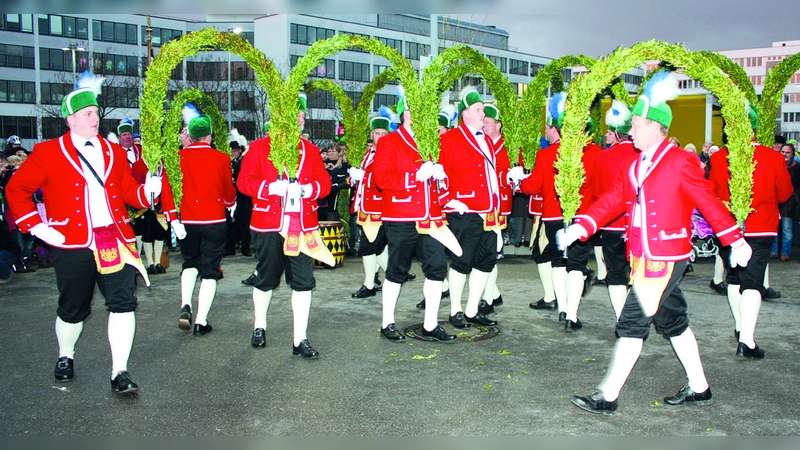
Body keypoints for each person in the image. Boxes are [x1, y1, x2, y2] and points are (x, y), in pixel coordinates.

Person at [560, 71, 752, 414]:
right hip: (643, 255)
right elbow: (612, 200)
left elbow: (708, 201)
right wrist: (582, 226)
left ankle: (607, 395)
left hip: (666, 254)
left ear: (653, 126)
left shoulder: (681, 161)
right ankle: (699, 387)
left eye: (636, 123)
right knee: (672, 321)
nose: (630, 129)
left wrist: (735, 239)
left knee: (632, 322)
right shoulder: (633, 165)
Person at [5, 71, 162, 394]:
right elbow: (17, 190)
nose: (95, 118)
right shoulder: (48, 152)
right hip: (71, 241)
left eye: (96, 113)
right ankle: (66, 354)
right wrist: (37, 227)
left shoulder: (113, 151)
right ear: (70, 119)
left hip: (114, 239)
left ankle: (120, 371)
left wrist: (147, 192)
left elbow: (126, 191)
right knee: (73, 308)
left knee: (123, 302)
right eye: (87, 114)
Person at [237, 92, 332, 358]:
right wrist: (270, 187)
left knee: (303, 282)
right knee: (266, 279)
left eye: (302, 115)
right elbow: (244, 182)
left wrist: (307, 189)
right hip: (268, 224)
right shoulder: (259, 147)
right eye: (296, 114)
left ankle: (299, 338)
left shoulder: (310, 150)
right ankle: (259, 326)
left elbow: (324, 184)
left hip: (302, 226)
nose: (301, 119)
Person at [371, 88, 457, 342]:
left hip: (430, 217)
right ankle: (387, 322)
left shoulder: (431, 142)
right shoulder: (389, 142)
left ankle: (430, 324)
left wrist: (442, 178)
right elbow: (381, 179)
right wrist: (413, 177)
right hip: (401, 216)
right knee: (396, 270)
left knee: (437, 268)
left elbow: (438, 183)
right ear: (405, 114)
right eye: (414, 111)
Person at [708, 104, 792, 359]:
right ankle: (747, 341)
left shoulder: (718, 157)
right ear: (754, 128)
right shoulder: (773, 157)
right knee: (753, 282)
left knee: (734, 278)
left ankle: (739, 327)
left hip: (728, 227)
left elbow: (710, 193)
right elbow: (785, 193)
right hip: (762, 227)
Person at [513, 91, 601, 331]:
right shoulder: (595, 153)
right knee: (576, 265)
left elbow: (534, 186)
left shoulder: (546, 153)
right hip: (583, 217)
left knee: (558, 263)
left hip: (552, 216)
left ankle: (562, 308)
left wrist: (518, 181)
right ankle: (572, 316)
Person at [161, 104, 237, 337]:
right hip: (214, 221)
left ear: (190, 136)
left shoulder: (176, 159)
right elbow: (228, 191)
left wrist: (173, 219)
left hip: (187, 222)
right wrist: (229, 203)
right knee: (210, 271)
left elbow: (167, 191)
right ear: (210, 135)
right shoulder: (221, 158)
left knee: (190, 263)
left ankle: (186, 304)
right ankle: (201, 321)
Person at [439, 89, 511, 328]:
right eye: (479, 110)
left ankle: (472, 310)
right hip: (465, 209)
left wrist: (507, 182)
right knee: (462, 260)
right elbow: (440, 174)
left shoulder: (487, 140)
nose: (483, 114)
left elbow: (490, 176)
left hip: (489, 211)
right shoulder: (450, 139)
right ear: (465, 113)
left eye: (483, 110)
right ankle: (455, 310)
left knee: (485, 261)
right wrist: (449, 200)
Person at [587, 100, 638, 319]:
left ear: (617, 133)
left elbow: (598, 192)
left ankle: (622, 317)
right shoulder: (643, 156)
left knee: (615, 273)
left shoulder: (603, 156)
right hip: (638, 225)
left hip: (612, 225)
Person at [349, 107, 392, 299]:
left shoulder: (389, 153)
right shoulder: (369, 153)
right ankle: (393, 273)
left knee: (368, 247)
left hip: (379, 206)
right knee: (376, 247)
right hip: (365, 206)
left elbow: (384, 179)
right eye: (377, 133)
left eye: (384, 133)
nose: (381, 136)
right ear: (371, 134)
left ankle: (370, 284)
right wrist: (354, 179)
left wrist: (363, 177)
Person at [479, 103, 510, 313]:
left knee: (491, 254)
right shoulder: (482, 143)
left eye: (487, 123)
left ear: (498, 125)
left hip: (498, 207)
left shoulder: (505, 147)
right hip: (483, 205)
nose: (484, 126)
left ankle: (488, 299)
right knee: (484, 252)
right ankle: (493, 294)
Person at [770, 143, 799, 261]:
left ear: (792, 154)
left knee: (787, 228)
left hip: (790, 201)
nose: (785, 154)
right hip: (775, 200)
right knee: (774, 227)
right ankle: (774, 250)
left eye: (788, 152)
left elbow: (794, 183)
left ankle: (785, 252)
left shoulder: (797, 167)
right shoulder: (775, 165)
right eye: (783, 152)